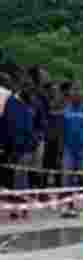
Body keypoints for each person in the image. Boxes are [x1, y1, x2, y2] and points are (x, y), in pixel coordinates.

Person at [60, 82, 83, 218]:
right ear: (70, 96)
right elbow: (62, 132)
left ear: (82, 96)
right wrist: (61, 151)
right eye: (73, 92)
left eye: (78, 92)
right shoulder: (66, 111)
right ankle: (69, 207)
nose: (75, 95)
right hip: (69, 149)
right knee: (66, 179)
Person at [1, 81, 35, 219]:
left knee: (21, 178)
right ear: (22, 88)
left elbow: (32, 127)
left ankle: (22, 208)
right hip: (12, 147)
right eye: (28, 89)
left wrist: (34, 140)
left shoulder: (28, 105)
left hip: (25, 148)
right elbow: (7, 125)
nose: (31, 93)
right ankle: (16, 208)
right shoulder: (11, 103)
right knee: (14, 179)